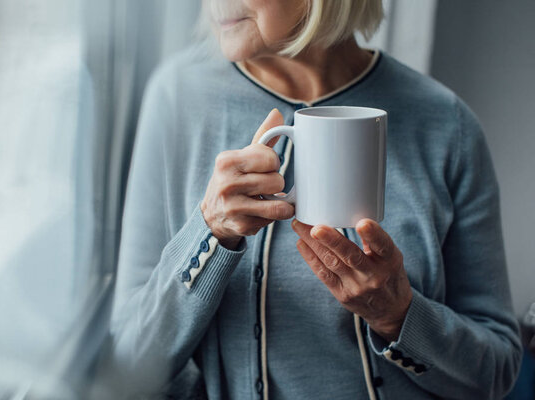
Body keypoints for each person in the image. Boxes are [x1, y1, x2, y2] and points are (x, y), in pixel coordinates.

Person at [108, 0, 522, 398]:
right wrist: (210, 231)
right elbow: (128, 362)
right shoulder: (177, 99)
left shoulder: (446, 125)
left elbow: (497, 372)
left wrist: (397, 315)